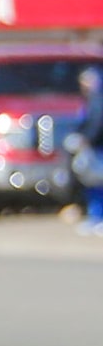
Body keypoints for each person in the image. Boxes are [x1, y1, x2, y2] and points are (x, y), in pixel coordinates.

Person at [72, 66, 103, 234]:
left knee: (97, 184)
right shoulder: (91, 100)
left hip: (97, 149)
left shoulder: (97, 100)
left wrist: (86, 139)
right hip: (94, 148)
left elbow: (96, 124)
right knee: (92, 184)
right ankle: (94, 217)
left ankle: (98, 218)